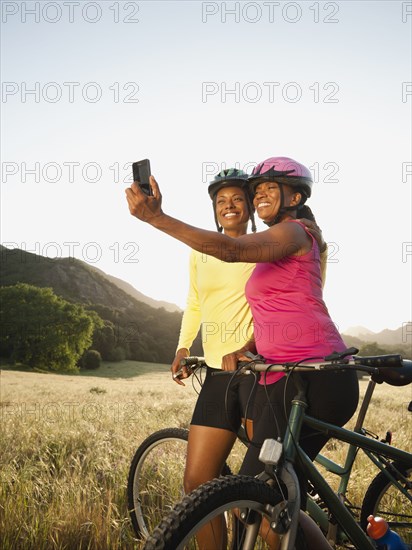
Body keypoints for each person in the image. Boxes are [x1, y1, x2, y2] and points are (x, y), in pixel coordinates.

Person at [125, 157, 357, 548]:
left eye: (270, 188)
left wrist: (157, 218)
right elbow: (272, 311)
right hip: (283, 375)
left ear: (296, 196)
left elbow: (230, 249)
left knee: (259, 503)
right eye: (258, 189)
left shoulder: (296, 232)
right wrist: (246, 346)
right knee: (252, 501)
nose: (260, 194)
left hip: (317, 376)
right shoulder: (273, 251)